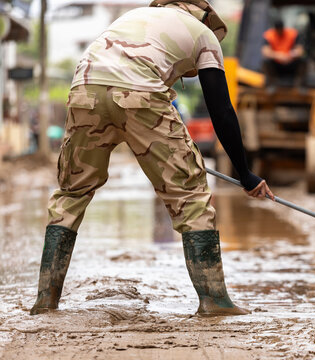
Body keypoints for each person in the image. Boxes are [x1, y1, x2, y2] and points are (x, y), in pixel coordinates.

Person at [30, 0, 274, 317]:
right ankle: (215, 300)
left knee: (71, 192)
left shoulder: (134, 17)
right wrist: (245, 174)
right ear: (206, 16)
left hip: (84, 88)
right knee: (190, 192)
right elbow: (221, 111)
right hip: (139, 89)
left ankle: (45, 301)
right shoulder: (204, 35)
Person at [261, 19, 306, 90]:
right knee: (266, 62)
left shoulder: (292, 34)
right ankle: (271, 85)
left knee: (303, 60)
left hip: (290, 62)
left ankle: (300, 85)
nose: (279, 32)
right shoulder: (269, 35)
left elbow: (300, 50)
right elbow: (265, 52)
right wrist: (279, 56)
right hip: (276, 64)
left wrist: (291, 55)